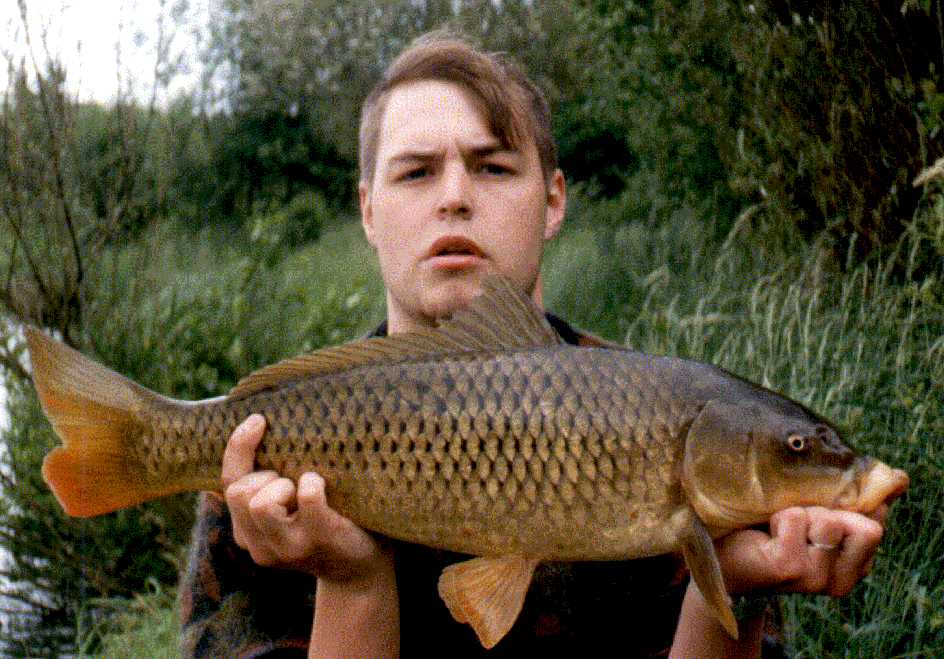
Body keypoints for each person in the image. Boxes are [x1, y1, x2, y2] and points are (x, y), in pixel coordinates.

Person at [179, 31, 891, 658]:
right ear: (368, 209)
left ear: (553, 200)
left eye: (493, 167)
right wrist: (355, 581)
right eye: (417, 171)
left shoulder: (669, 434)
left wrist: (729, 590)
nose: (455, 196)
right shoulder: (256, 463)